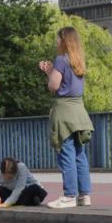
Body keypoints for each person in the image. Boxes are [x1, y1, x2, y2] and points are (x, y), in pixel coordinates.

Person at [40, 26, 94, 209]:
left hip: (64, 111)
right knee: (80, 154)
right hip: (79, 109)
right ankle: (84, 195)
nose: (56, 42)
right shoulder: (78, 60)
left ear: (64, 41)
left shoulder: (61, 60)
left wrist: (49, 73)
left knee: (66, 153)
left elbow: (54, 86)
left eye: (58, 39)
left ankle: (69, 195)